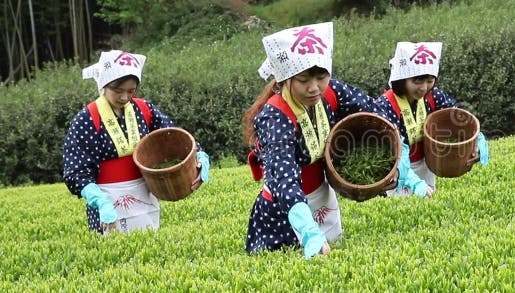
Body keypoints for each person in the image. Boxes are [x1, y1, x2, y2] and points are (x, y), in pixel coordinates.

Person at [243, 22, 390, 259]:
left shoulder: (332, 92)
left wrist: (394, 162)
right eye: (303, 80)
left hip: (322, 196)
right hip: (284, 213)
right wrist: (309, 231)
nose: (314, 88)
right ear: (284, 80)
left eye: (321, 77)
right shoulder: (274, 117)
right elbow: (284, 180)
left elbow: (376, 113)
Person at [63, 50, 210, 234]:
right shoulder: (87, 119)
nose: (124, 97)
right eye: (118, 91)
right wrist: (99, 200)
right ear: (104, 85)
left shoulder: (144, 109)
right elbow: (75, 170)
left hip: (144, 195)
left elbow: (175, 137)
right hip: (107, 200)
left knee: (146, 250)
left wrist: (199, 155)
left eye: (131, 91)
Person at [374, 42, 489, 197]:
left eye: (429, 80)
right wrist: (414, 182)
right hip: (397, 173)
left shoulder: (433, 97)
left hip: (426, 166)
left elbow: (459, 116)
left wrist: (477, 139)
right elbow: (389, 147)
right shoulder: (385, 105)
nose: (423, 88)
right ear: (402, 79)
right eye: (417, 81)